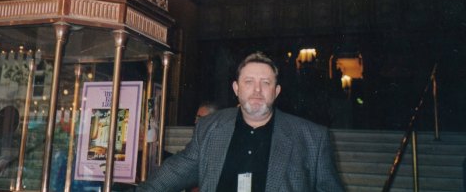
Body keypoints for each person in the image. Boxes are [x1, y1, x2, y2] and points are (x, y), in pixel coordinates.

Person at [135, 52, 344, 192]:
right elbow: (172, 174)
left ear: (277, 91)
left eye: (266, 83)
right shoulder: (210, 128)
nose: (257, 90)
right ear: (236, 89)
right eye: (249, 82)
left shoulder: (312, 138)